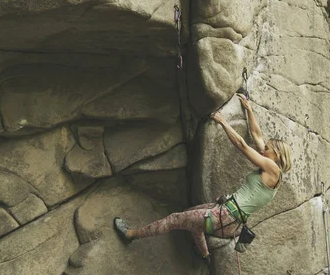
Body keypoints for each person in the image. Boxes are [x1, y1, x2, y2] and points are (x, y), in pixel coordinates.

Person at [113, 94, 292, 260]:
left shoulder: (272, 168)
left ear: (276, 155)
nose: (264, 149)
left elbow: (242, 145)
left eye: (268, 149)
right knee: (191, 217)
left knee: (175, 219)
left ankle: (130, 235)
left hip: (224, 216)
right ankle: (205, 255)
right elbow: (257, 136)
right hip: (230, 218)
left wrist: (223, 122)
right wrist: (249, 110)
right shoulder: (272, 172)